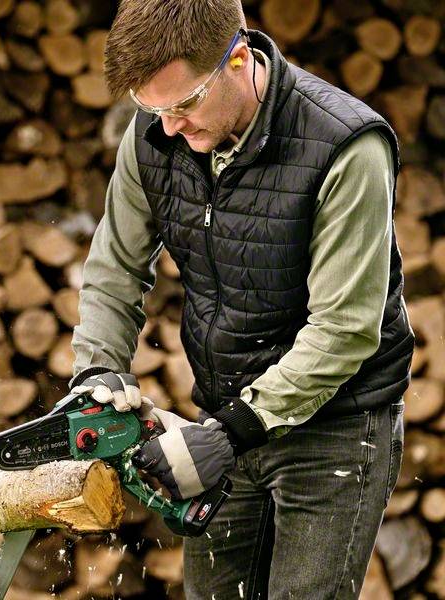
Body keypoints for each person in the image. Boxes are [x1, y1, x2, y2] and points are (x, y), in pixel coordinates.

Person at [68, 0, 414, 597]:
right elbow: (115, 268)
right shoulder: (155, 134)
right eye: (152, 108)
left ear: (237, 58)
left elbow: (345, 329)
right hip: (226, 414)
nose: (169, 127)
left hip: (334, 425)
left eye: (184, 104)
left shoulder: (345, 146)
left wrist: (230, 433)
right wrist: (98, 368)